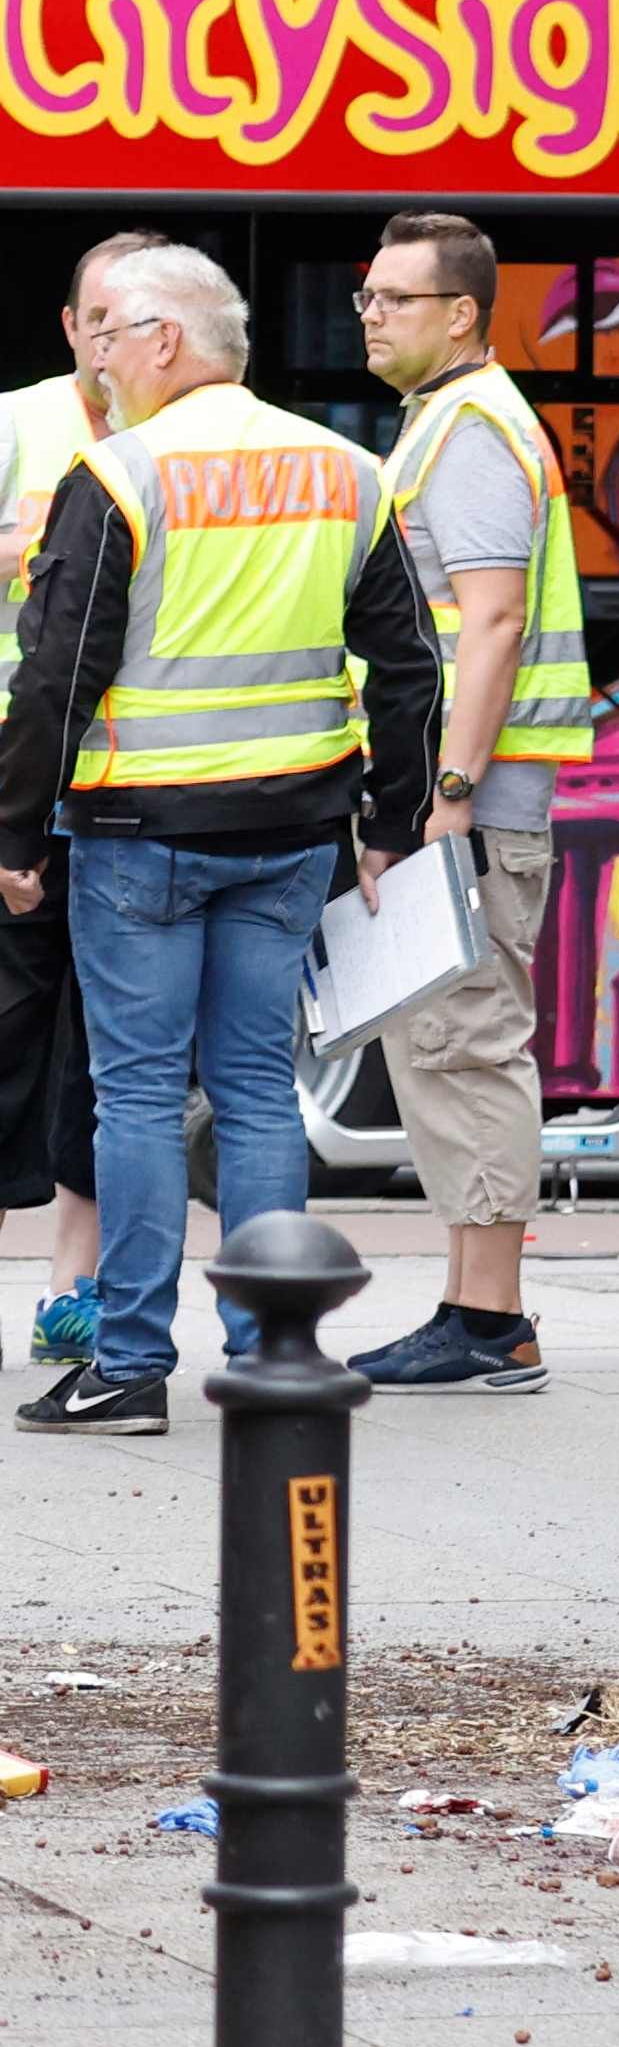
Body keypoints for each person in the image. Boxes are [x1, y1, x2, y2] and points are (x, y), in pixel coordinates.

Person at [0, 243, 439, 1435]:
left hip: (142, 831)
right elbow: (408, 659)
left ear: (169, 340)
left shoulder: (124, 473)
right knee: (253, 1091)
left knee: (137, 1096)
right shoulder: (349, 470)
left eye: (115, 336)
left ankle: (130, 1365)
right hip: (294, 825)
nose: (101, 358)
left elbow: (56, 674)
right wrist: (392, 817)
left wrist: (17, 834)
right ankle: (273, 1352)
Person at [347, 213, 590, 1394]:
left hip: (475, 800)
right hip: (470, 794)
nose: (372, 312)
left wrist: (444, 792)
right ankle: (471, 1304)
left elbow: (488, 619)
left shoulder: (473, 430)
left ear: (460, 313)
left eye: (397, 296)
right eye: (367, 295)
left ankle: (491, 1320)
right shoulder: (445, 421)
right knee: (442, 1047)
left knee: (467, 1042)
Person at [2, 234, 162, 1368]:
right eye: (98, 317)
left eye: (137, 317)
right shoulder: (16, 422)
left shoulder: (191, 437)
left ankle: (77, 1283)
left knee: (105, 1050)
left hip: (135, 790)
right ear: (69, 327)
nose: (116, 338)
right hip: (15, 768)